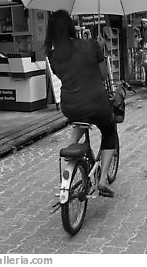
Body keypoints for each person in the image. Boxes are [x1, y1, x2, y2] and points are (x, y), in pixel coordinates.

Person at [45, 10, 117, 198]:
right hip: (96, 102)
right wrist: (100, 50)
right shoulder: (90, 45)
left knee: (80, 120)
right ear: (70, 26)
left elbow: (67, 75)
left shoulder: (52, 56)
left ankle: (72, 148)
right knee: (109, 130)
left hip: (70, 106)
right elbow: (103, 75)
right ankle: (102, 181)